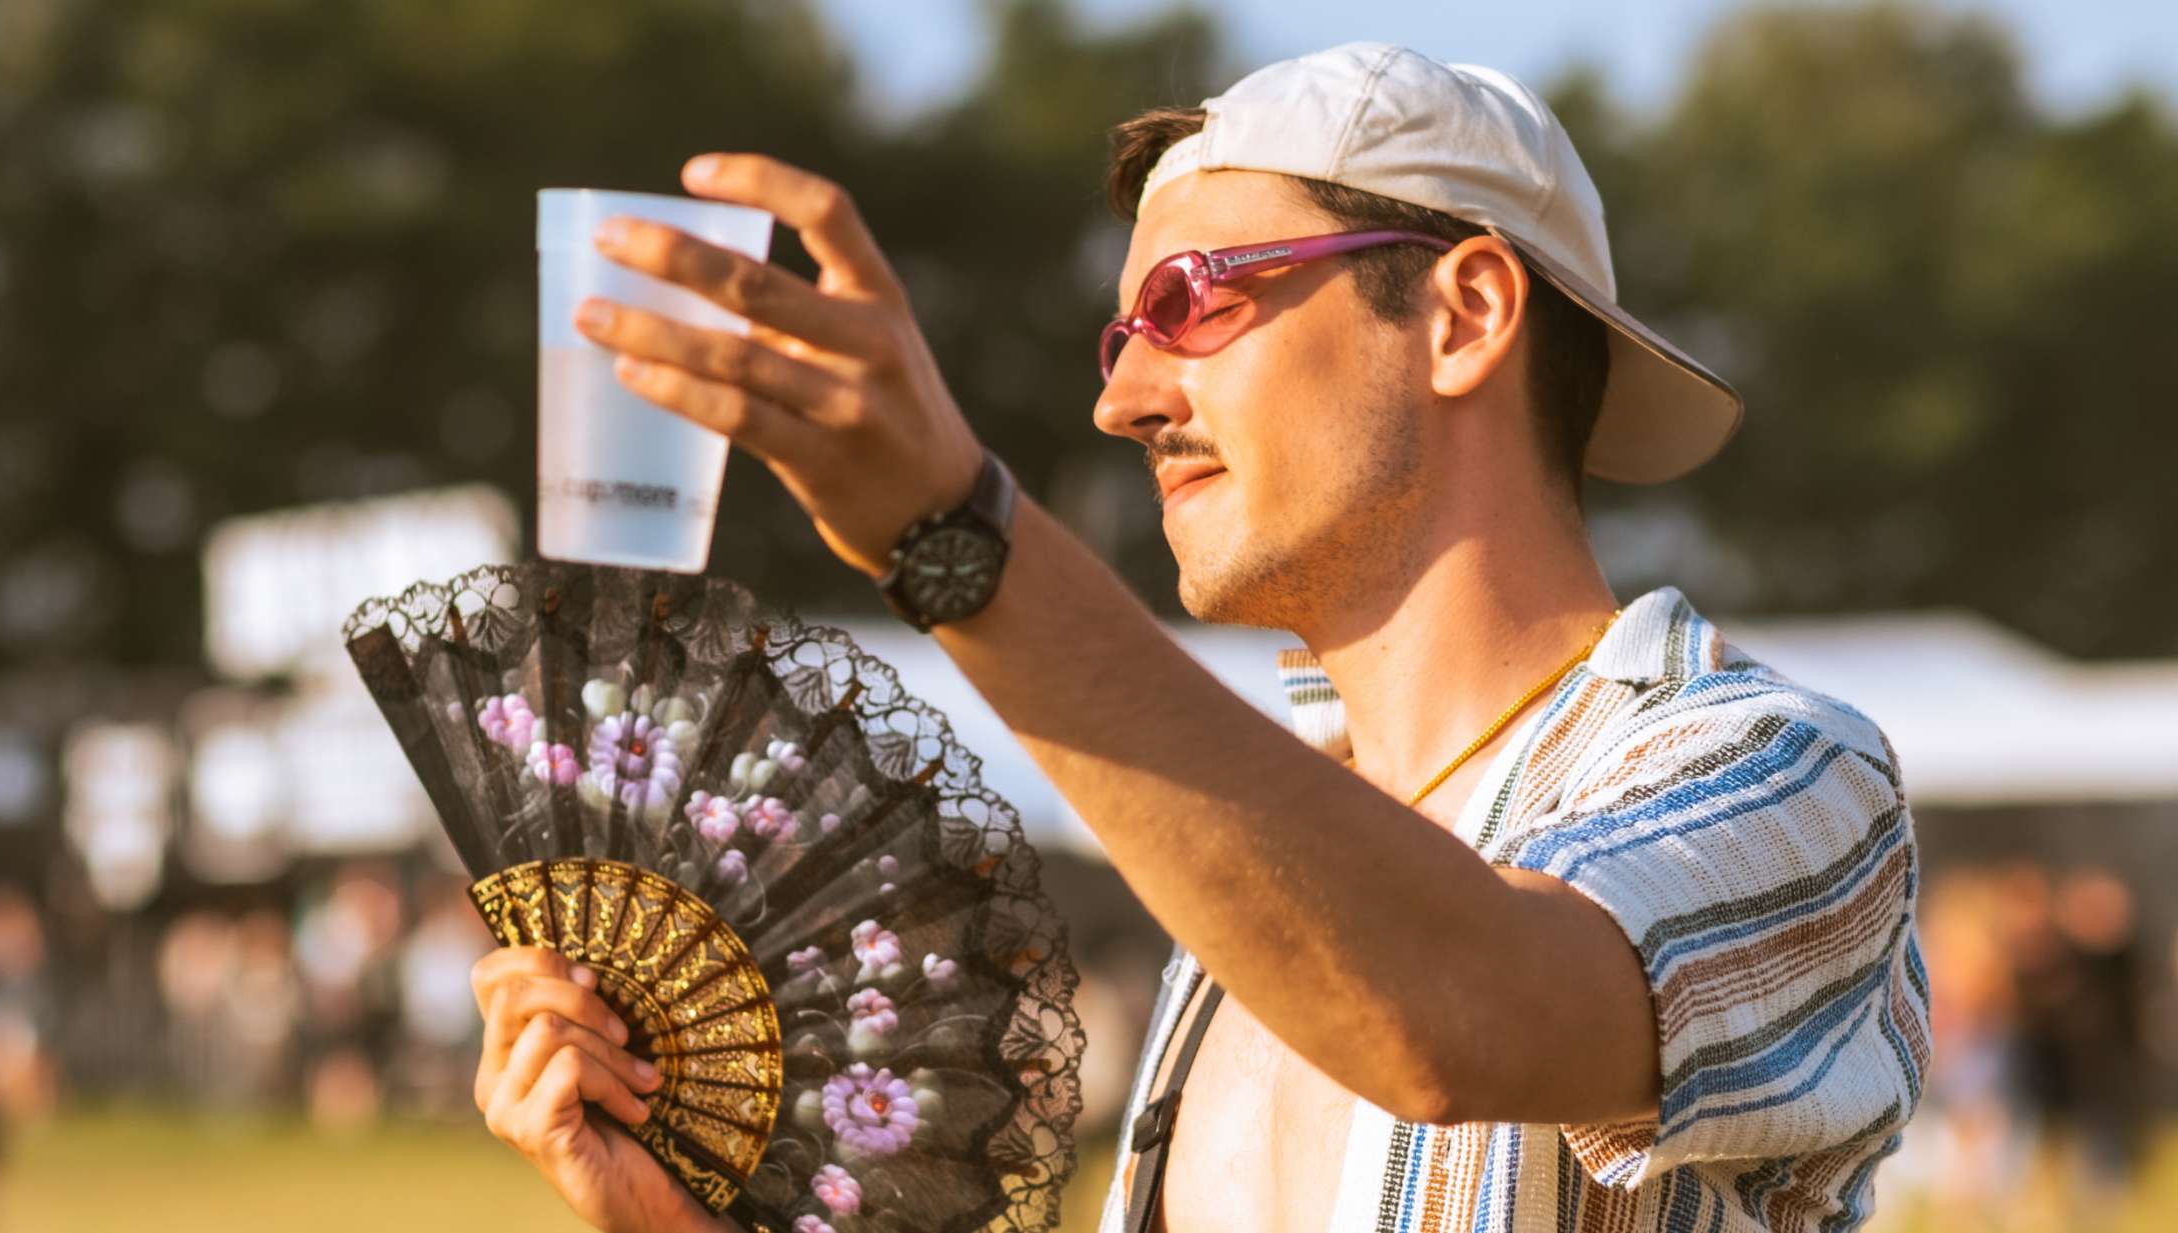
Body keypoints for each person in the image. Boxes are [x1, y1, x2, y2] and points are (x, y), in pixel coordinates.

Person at [468, 41, 1930, 1233]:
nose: (1125, 398)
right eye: (1123, 335)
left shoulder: (1785, 774)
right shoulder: (1256, 881)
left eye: (1190, 301)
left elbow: (1455, 1014)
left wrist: (959, 538)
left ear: (1466, 312)